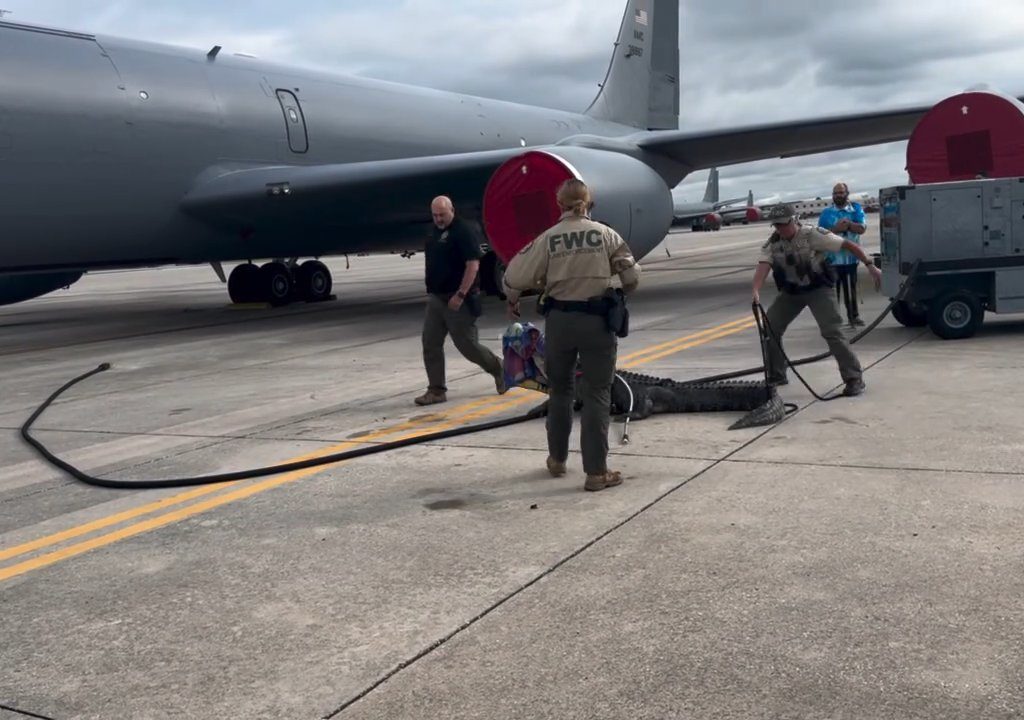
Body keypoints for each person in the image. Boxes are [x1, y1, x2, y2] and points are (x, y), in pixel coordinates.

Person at [502, 179, 641, 492]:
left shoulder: (548, 239)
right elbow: (631, 277)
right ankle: (596, 472)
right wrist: (614, 289)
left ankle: (557, 459)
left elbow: (514, 275)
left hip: (560, 322)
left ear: (558, 203)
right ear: (588, 201)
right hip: (596, 323)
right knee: (596, 394)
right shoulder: (607, 235)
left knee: (560, 391)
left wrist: (512, 299)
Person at [751, 203, 882, 397]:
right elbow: (763, 266)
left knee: (832, 331)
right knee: (770, 328)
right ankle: (776, 374)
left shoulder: (812, 235)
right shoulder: (773, 243)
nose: (780, 229)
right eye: (776, 225)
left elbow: (848, 245)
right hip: (792, 291)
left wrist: (870, 265)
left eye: (783, 224)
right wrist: (755, 290)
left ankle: (854, 378)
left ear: (794, 220)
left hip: (818, 288)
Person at [415, 195, 506, 406]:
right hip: (437, 298)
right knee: (430, 343)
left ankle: (499, 369)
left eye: (442, 215)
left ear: (452, 210)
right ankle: (436, 390)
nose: (438, 219)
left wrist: (461, 294)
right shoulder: (433, 232)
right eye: (435, 215)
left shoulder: (463, 230)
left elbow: (472, 265)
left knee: (467, 346)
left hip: (458, 298)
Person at [819, 182, 868, 327]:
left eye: (841, 192)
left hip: (851, 257)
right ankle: (833, 319)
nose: (838, 195)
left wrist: (850, 225)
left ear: (847, 193)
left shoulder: (855, 209)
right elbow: (821, 234)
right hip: (832, 259)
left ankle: (854, 316)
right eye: (835, 193)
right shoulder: (826, 213)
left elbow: (862, 228)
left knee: (851, 288)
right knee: (833, 291)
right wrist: (837, 228)